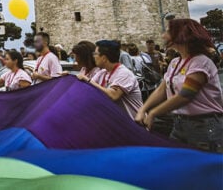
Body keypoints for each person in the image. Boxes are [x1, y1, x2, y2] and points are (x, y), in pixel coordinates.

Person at [135, 19, 223, 151]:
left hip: (203, 125)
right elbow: (162, 89)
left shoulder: (200, 62)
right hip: (179, 123)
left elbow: (186, 95)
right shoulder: (176, 62)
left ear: (180, 35)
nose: (164, 35)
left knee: (205, 167)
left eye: (168, 31)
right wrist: (143, 109)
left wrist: (153, 113)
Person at [78, 40, 142, 119]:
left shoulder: (124, 73)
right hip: (119, 123)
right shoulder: (103, 72)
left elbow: (113, 95)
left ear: (104, 58)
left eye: (95, 54)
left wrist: (88, 80)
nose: (93, 56)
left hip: (134, 124)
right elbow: (84, 88)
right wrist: (69, 78)